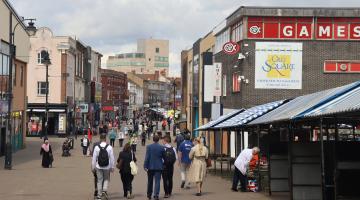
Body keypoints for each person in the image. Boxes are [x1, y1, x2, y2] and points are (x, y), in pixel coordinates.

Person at [91, 134, 115, 200]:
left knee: (99, 180)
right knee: (106, 179)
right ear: (105, 139)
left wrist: (93, 167)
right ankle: (104, 190)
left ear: (100, 139)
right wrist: (112, 167)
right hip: (107, 166)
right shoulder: (109, 147)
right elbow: (112, 158)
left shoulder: (96, 147)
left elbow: (94, 158)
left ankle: (99, 196)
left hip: (98, 166)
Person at [144, 135, 165, 200]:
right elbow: (164, 157)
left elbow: (147, 157)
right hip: (159, 166)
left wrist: (145, 165)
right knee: (157, 181)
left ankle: (149, 195)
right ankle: (156, 195)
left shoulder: (149, 147)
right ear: (158, 140)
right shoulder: (162, 147)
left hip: (150, 166)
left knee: (150, 181)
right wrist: (164, 164)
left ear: (153, 140)